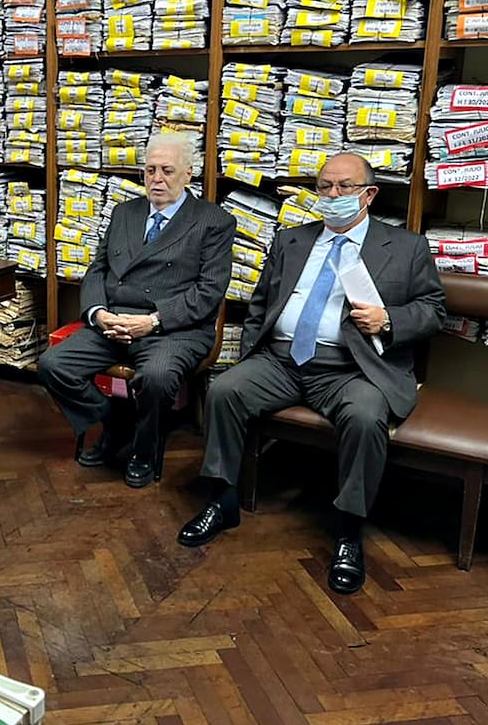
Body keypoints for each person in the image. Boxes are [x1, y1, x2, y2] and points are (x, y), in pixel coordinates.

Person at [177, 152, 445, 595]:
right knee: (224, 389)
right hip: (281, 360)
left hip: (351, 368)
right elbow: (262, 300)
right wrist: (250, 353)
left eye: (344, 187)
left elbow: (433, 310)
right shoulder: (292, 240)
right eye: (324, 187)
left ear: (369, 195)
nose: (333, 196)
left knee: (364, 417)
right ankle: (222, 500)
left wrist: (389, 320)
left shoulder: (405, 248)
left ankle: (348, 530)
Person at [38, 133, 235, 488]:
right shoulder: (124, 212)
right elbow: (97, 269)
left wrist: (154, 320)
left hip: (174, 327)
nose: (157, 179)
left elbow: (209, 292)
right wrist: (98, 313)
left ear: (189, 173)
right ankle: (114, 423)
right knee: (54, 365)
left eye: (167, 171)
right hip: (114, 321)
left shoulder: (212, 221)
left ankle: (143, 449)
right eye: (150, 171)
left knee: (157, 378)